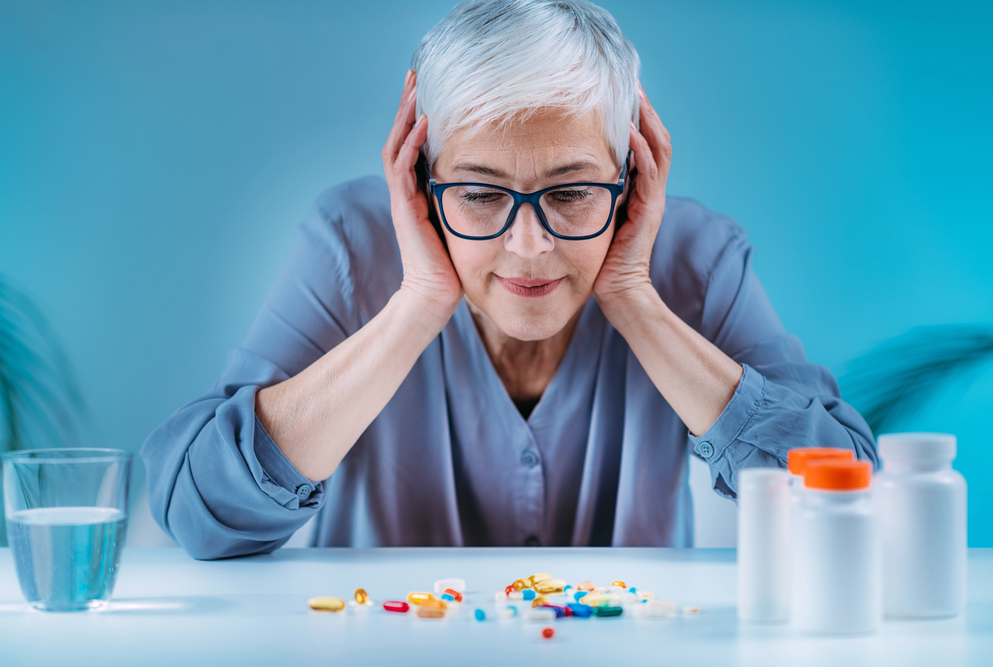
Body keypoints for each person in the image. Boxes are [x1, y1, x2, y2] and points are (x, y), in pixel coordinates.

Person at [141, 0, 877, 559]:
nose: (529, 245)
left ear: (630, 174)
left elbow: (849, 497)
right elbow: (199, 512)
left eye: (572, 191)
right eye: (481, 193)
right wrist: (417, 305)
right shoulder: (349, 242)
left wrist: (635, 301)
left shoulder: (696, 256)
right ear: (422, 177)